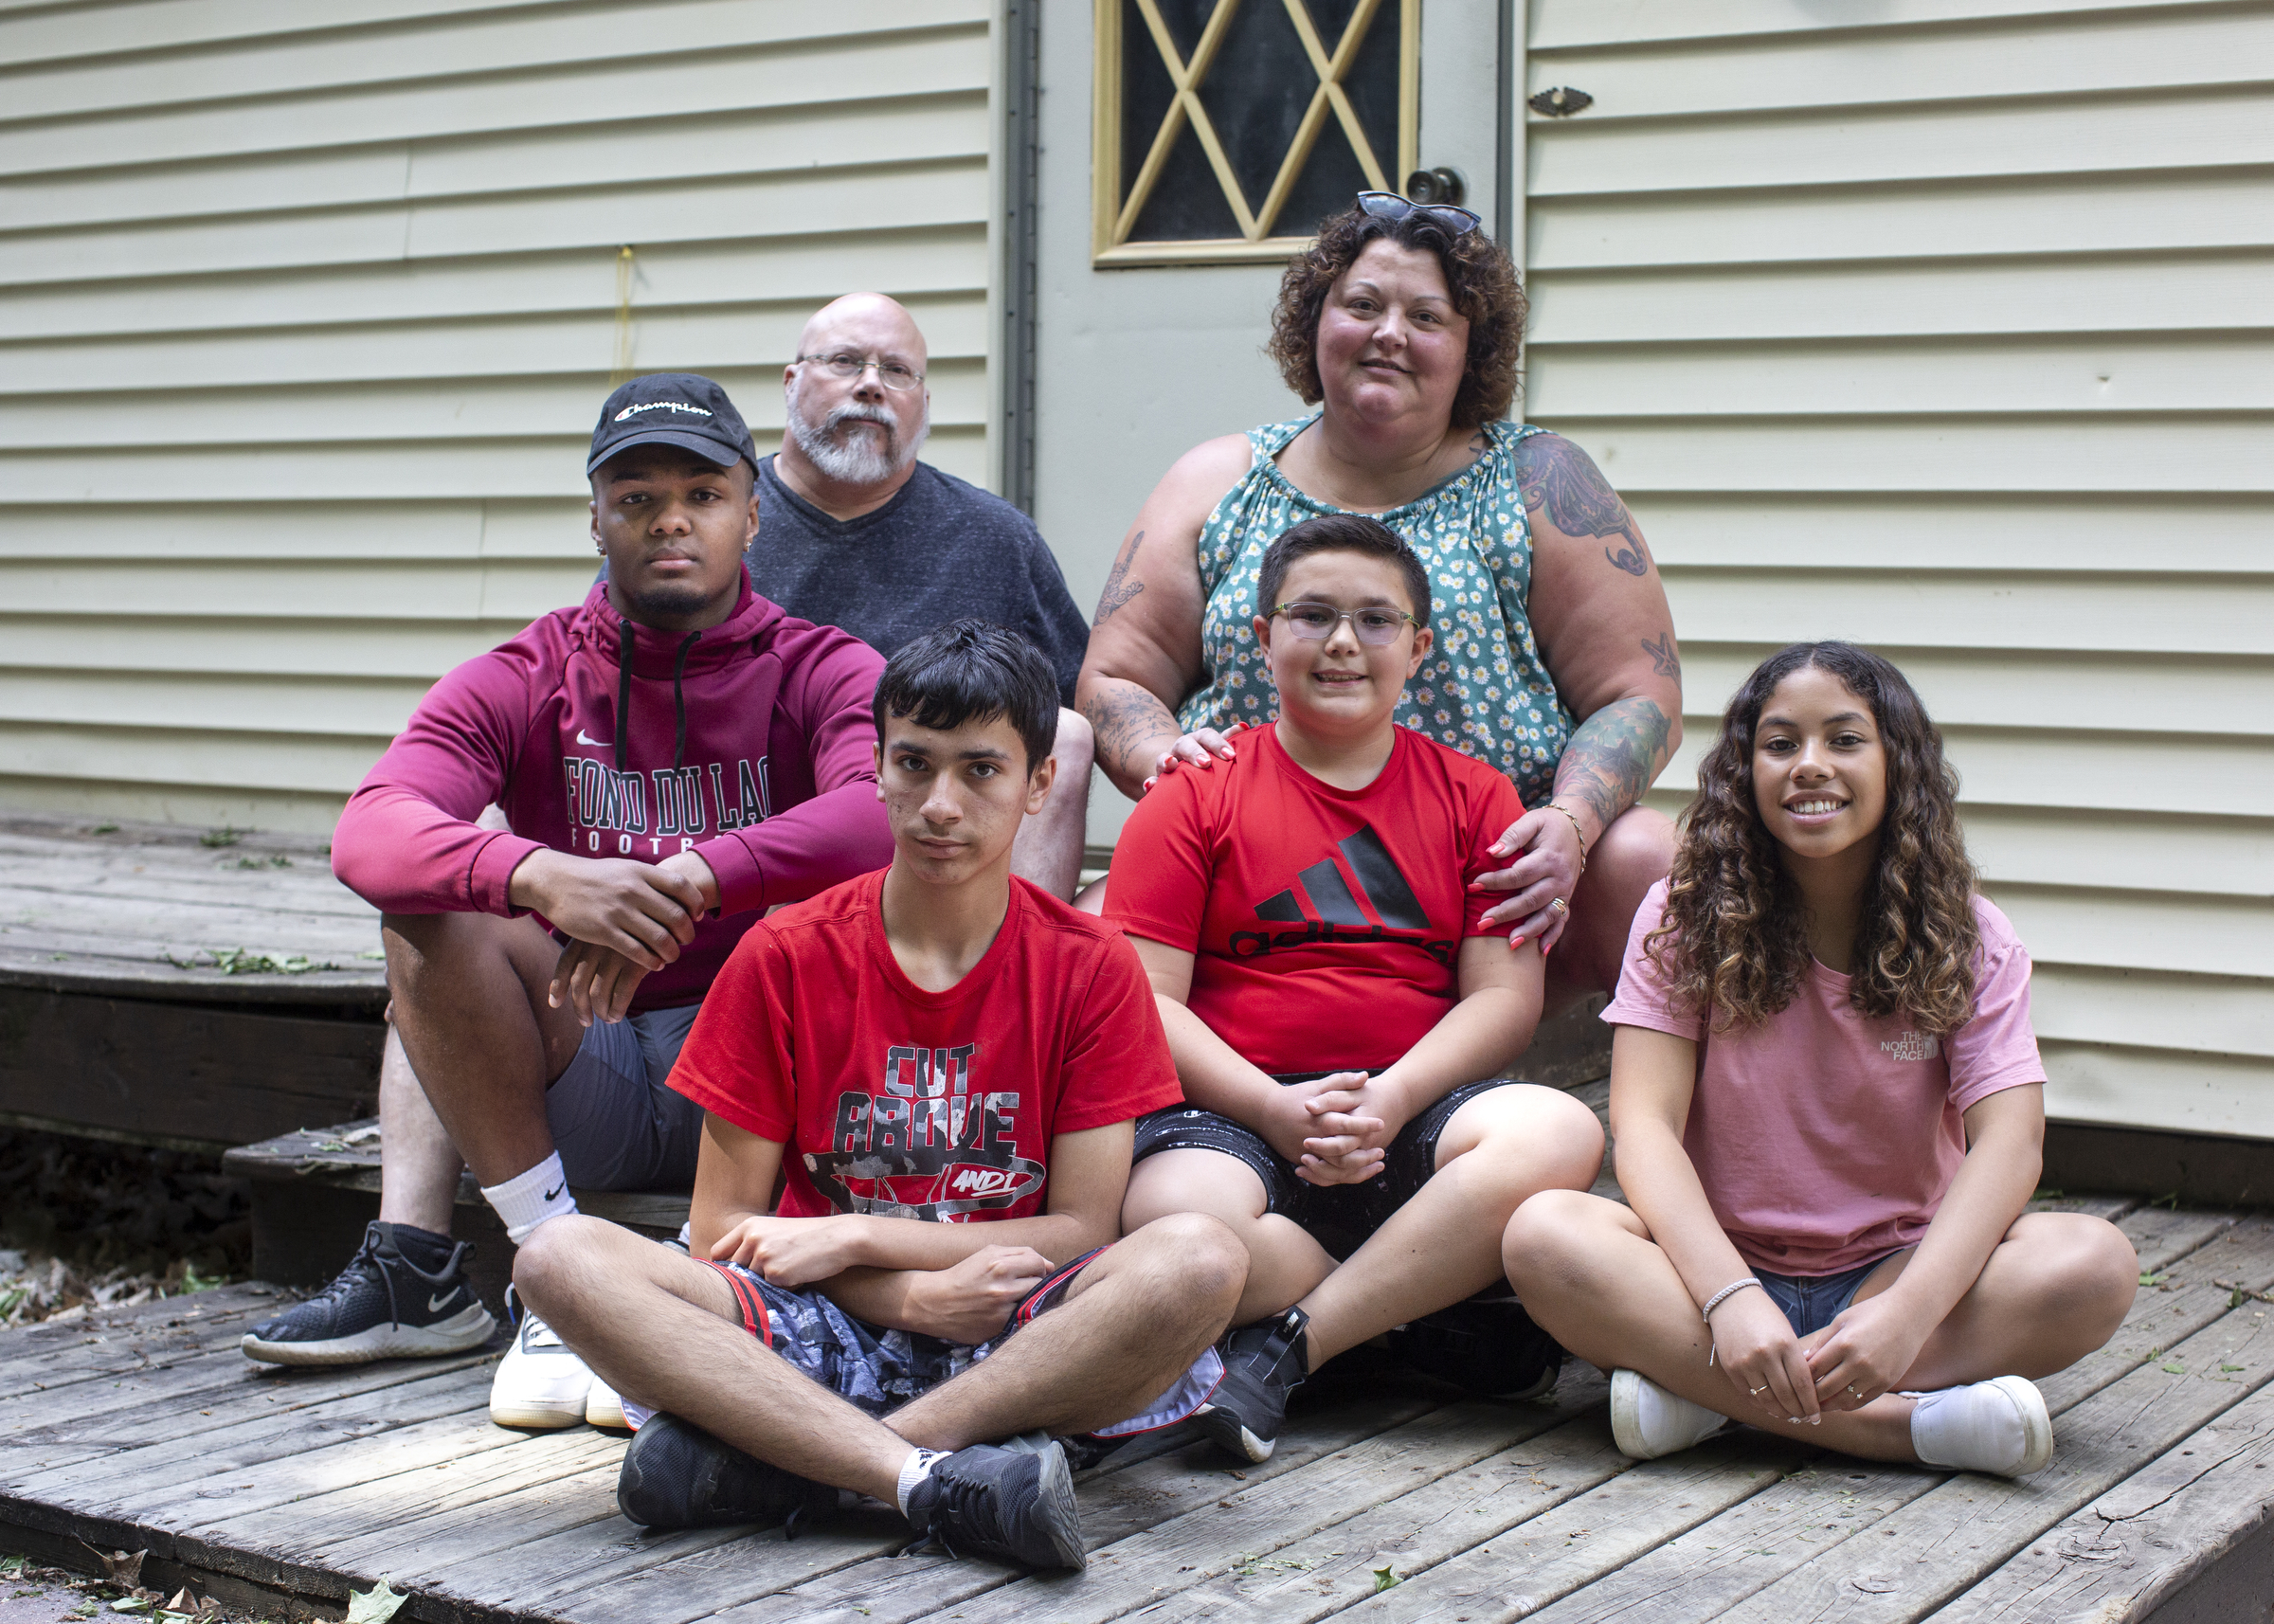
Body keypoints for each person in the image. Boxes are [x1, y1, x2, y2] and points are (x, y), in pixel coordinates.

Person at [511, 622, 1245, 1568]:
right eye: (916, 764)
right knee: (559, 1255)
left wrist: (862, 1236)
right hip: (812, 1317)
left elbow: (1079, 1233)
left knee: (1198, 1257)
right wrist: (904, 1295)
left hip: (1005, 1319)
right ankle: (926, 1479)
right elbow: (720, 1233)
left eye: (980, 770)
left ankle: (805, 1465)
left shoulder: (1091, 967)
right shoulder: (783, 955)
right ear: (878, 768)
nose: (942, 803)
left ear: (1038, 785)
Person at [243, 375, 896, 1435]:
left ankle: (697, 1277)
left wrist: (702, 874)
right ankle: (554, 1274)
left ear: (752, 510)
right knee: (432, 910)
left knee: (835, 919)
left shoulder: (822, 666)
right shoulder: (531, 670)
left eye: (702, 491)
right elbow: (370, 828)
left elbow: (880, 817)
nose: (670, 518)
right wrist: (539, 877)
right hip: (577, 1056)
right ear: (595, 516)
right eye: (635, 497)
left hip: (756, 1088)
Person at [1502, 642, 2139, 1477]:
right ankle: (1905, 1427)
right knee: (1544, 1236)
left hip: (1899, 1270)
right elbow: (1645, 1128)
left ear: (1897, 764)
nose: (1809, 766)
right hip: (1715, 1278)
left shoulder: (1971, 936)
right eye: (1779, 744)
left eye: (1844, 739)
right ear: (1744, 772)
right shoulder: (1683, 915)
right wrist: (1730, 1300)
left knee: (2095, 1265)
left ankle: (1706, 1396)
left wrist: (1909, 1311)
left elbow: (2012, 1144)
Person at [1077, 191, 1682, 1010]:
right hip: (1254, 873)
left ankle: (1614, 1098)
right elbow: (1116, 678)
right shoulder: (1216, 482)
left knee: (1647, 853)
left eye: (1427, 317)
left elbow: (1638, 694)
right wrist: (1164, 763)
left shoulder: (1541, 483)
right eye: (1362, 305)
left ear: (1474, 349)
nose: (1389, 334)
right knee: (1089, 920)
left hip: (1491, 884)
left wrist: (1571, 824)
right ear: (1315, 322)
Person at [1107, 515, 1605, 1462]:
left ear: (1418, 648)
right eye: (1314, 614)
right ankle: (1403, 1316)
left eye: (1376, 621)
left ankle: (1296, 1345)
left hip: (1409, 1105)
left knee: (1561, 1129)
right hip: (1233, 1111)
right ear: (1263, 637)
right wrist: (1271, 1103)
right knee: (1177, 1227)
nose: (1343, 641)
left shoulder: (1475, 795)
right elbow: (1146, 996)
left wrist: (1392, 1097)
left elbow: (1504, 997)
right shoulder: (1194, 791)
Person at [754, 292, 1094, 900]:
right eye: (844, 362)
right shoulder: (717, 521)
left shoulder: (994, 538)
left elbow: (1080, 697)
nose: (870, 386)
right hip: (755, 828)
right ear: (791, 381)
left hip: (939, 837)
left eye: (896, 371)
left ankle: (1013, 975)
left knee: (1064, 732)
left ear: (924, 403)